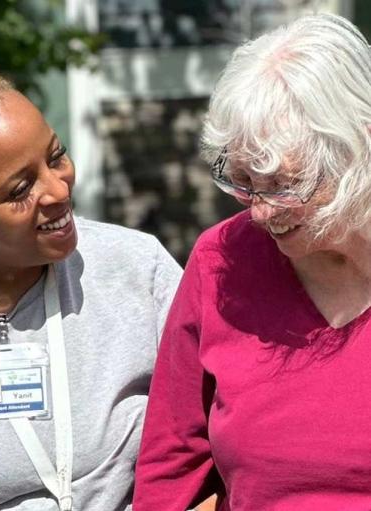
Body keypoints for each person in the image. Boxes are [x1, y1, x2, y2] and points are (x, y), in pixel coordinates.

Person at [133, 13, 371, 511]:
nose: (261, 211)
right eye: (243, 182)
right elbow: (171, 462)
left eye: (283, 186)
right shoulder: (222, 259)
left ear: (359, 149)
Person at [0, 68, 182, 511]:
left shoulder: (137, 270)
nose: (57, 189)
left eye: (56, 155)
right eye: (20, 189)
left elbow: (225, 433)